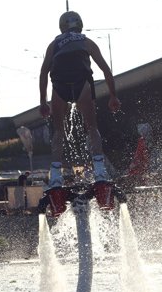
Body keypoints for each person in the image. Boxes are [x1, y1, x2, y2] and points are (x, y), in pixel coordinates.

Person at [38, 11, 121, 189]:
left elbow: (43, 73)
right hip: (81, 83)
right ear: (80, 25)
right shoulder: (86, 41)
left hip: (59, 85)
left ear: (61, 27)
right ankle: (99, 170)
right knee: (92, 127)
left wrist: (43, 101)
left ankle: (56, 176)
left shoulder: (54, 44)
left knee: (59, 132)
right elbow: (106, 70)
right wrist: (113, 96)